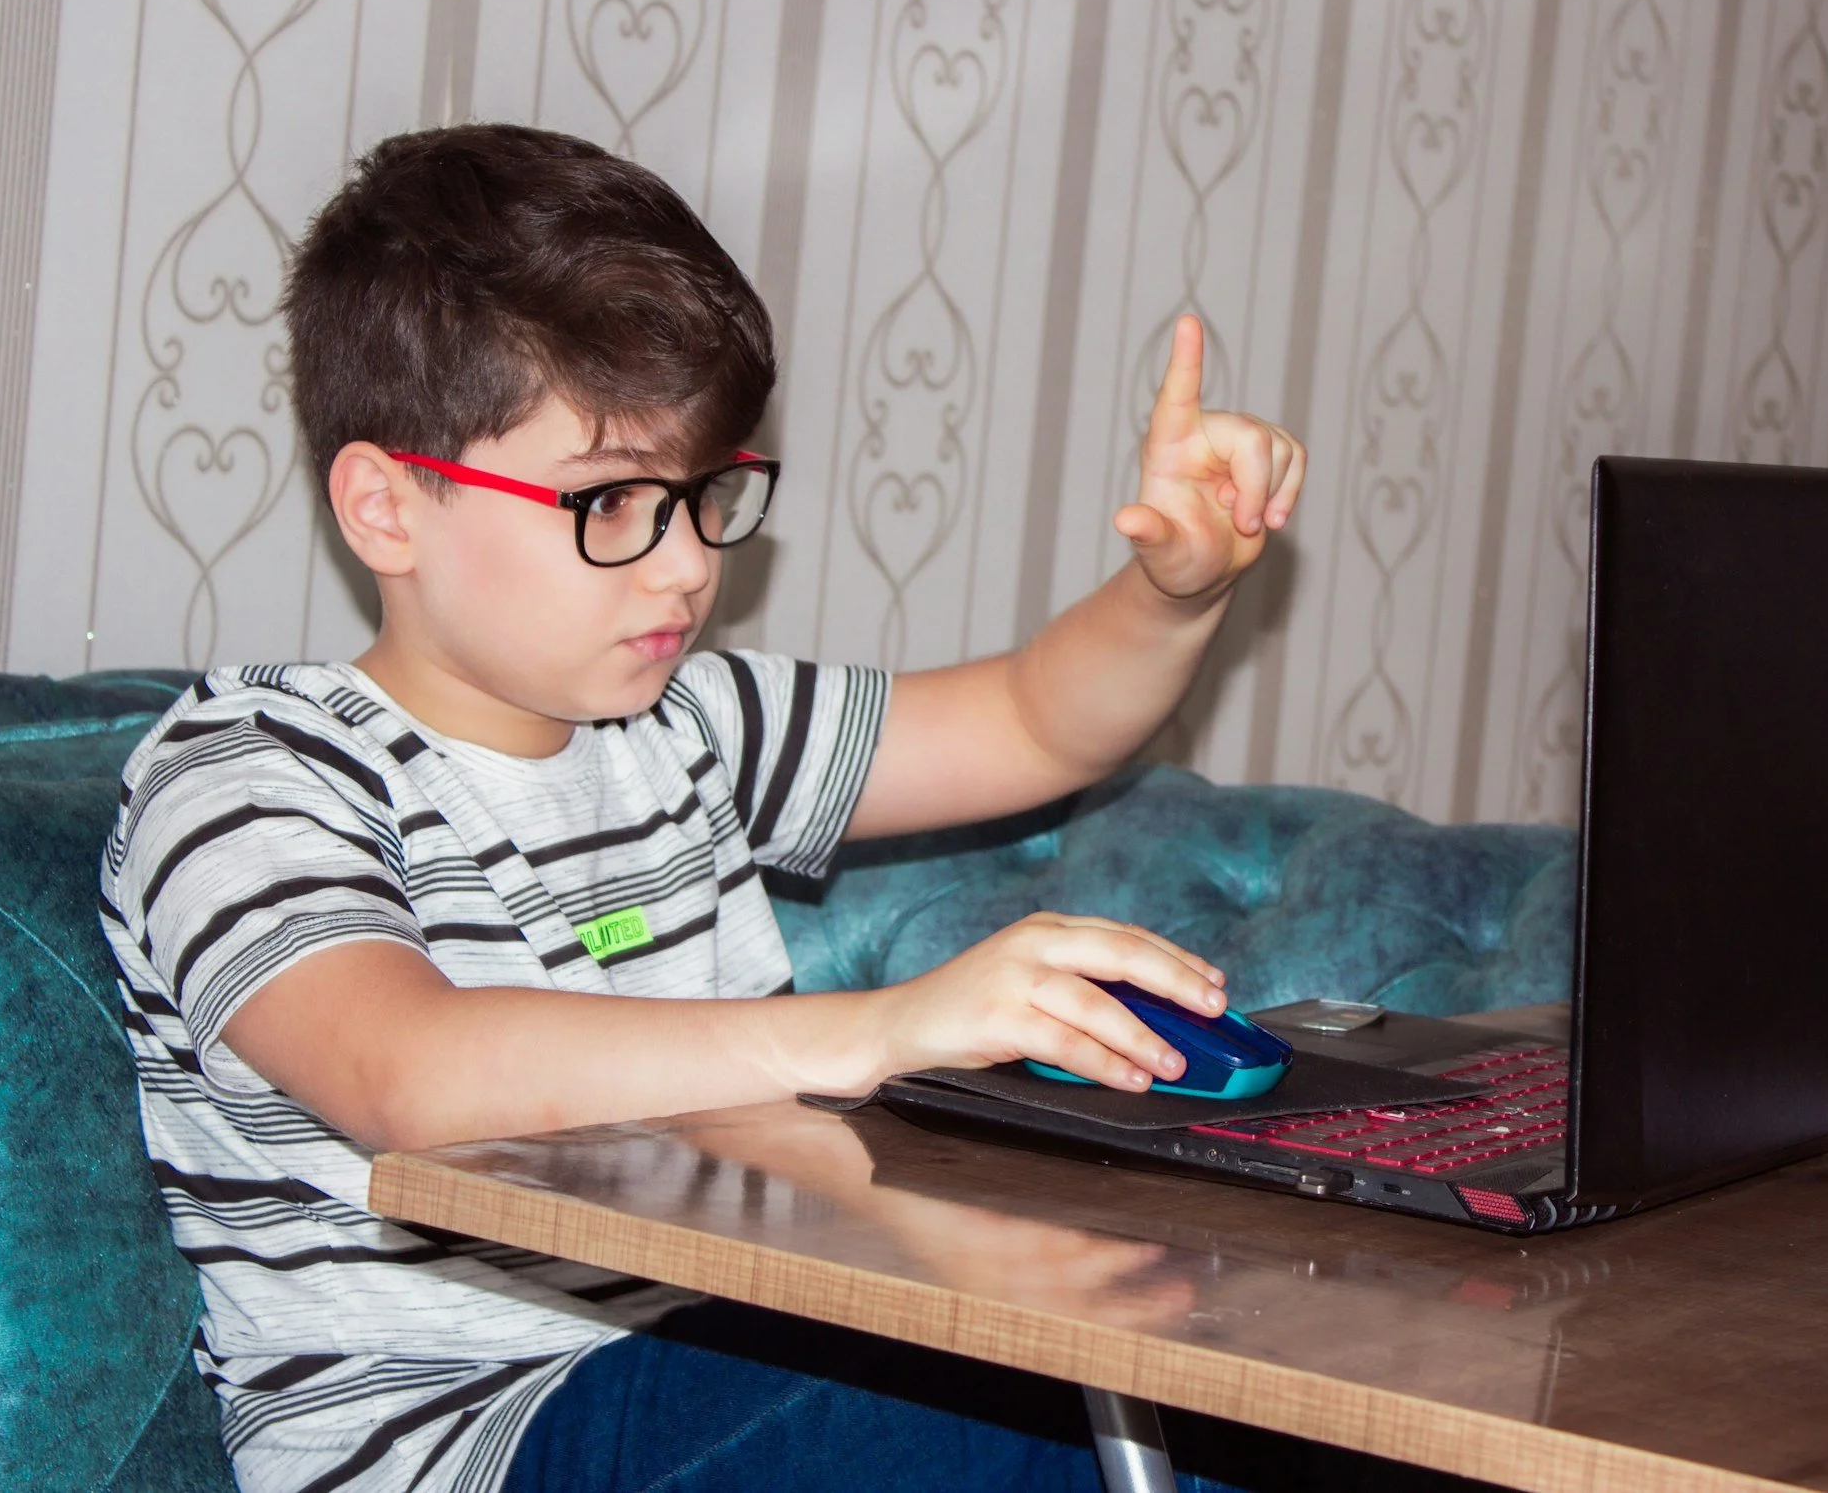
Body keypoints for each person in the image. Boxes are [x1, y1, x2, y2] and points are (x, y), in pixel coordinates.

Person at [102, 123, 1307, 1493]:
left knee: (1216, 1360)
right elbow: (412, 1076)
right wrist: (884, 1029)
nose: (682, 566)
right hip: (469, 1442)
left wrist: (1175, 592)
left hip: (716, 1357)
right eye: (611, 501)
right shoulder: (248, 768)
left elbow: (1034, 719)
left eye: (704, 493)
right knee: (1053, 1393)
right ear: (387, 506)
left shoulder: (684, 725)